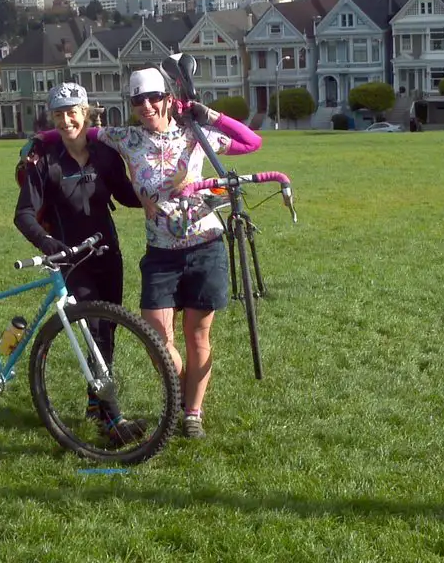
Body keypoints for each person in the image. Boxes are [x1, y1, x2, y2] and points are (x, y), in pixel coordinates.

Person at [34, 67, 263, 439]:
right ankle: (183, 393)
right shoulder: (127, 138)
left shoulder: (197, 134)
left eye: (153, 97)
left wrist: (211, 115)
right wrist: (37, 143)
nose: (146, 105)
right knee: (158, 337)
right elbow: (75, 130)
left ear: (169, 99)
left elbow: (252, 143)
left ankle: (191, 413)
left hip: (205, 246)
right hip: (160, 253)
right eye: (138, 100)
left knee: (198, 336)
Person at [15, 82, 146, 444]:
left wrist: (159, 196)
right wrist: (47, 243)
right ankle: (110, 417)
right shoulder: (46, 163)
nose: (67, 119)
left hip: (107, 253)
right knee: (96, 332)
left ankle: (94, 404)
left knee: (109, 331)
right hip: (71, 259)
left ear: (86, 113)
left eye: (73, 111)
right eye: (59, 113)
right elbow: (23, 213)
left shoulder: (104, 155)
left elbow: (124, 194)